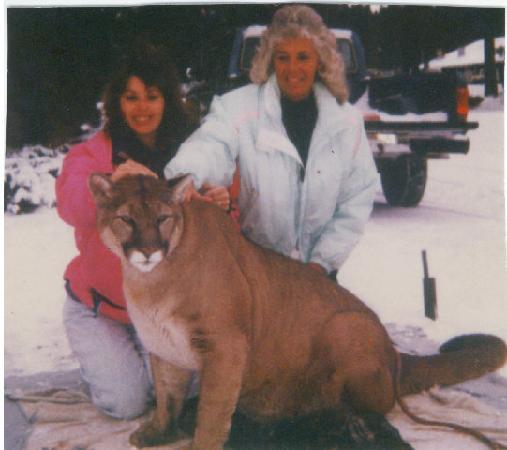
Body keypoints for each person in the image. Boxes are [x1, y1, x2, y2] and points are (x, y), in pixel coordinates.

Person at [55, 44, 229, 420]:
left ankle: (139, 361)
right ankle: (111, 363)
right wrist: (110, 186)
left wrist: (222, 204)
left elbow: (225, 210)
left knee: (188, 393)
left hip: (168, 308)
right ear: (117, 102)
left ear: (168, 100)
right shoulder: (92, 155)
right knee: (127, 403)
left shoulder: (192, 151)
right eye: (131, 97)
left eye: (152, 96)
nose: (142, 107)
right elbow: (71, 207)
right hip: (103, 307)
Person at [166, 5, 379, 279]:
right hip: (256, 273)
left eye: (303, 57)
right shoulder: (237, 109)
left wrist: (320, 264)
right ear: (270, 59)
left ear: (320, 60)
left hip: (319, 276)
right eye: (283, 57)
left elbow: (356, 199)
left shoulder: (347, 121)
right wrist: (184, 177)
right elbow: (210, 146)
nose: (293, 68)